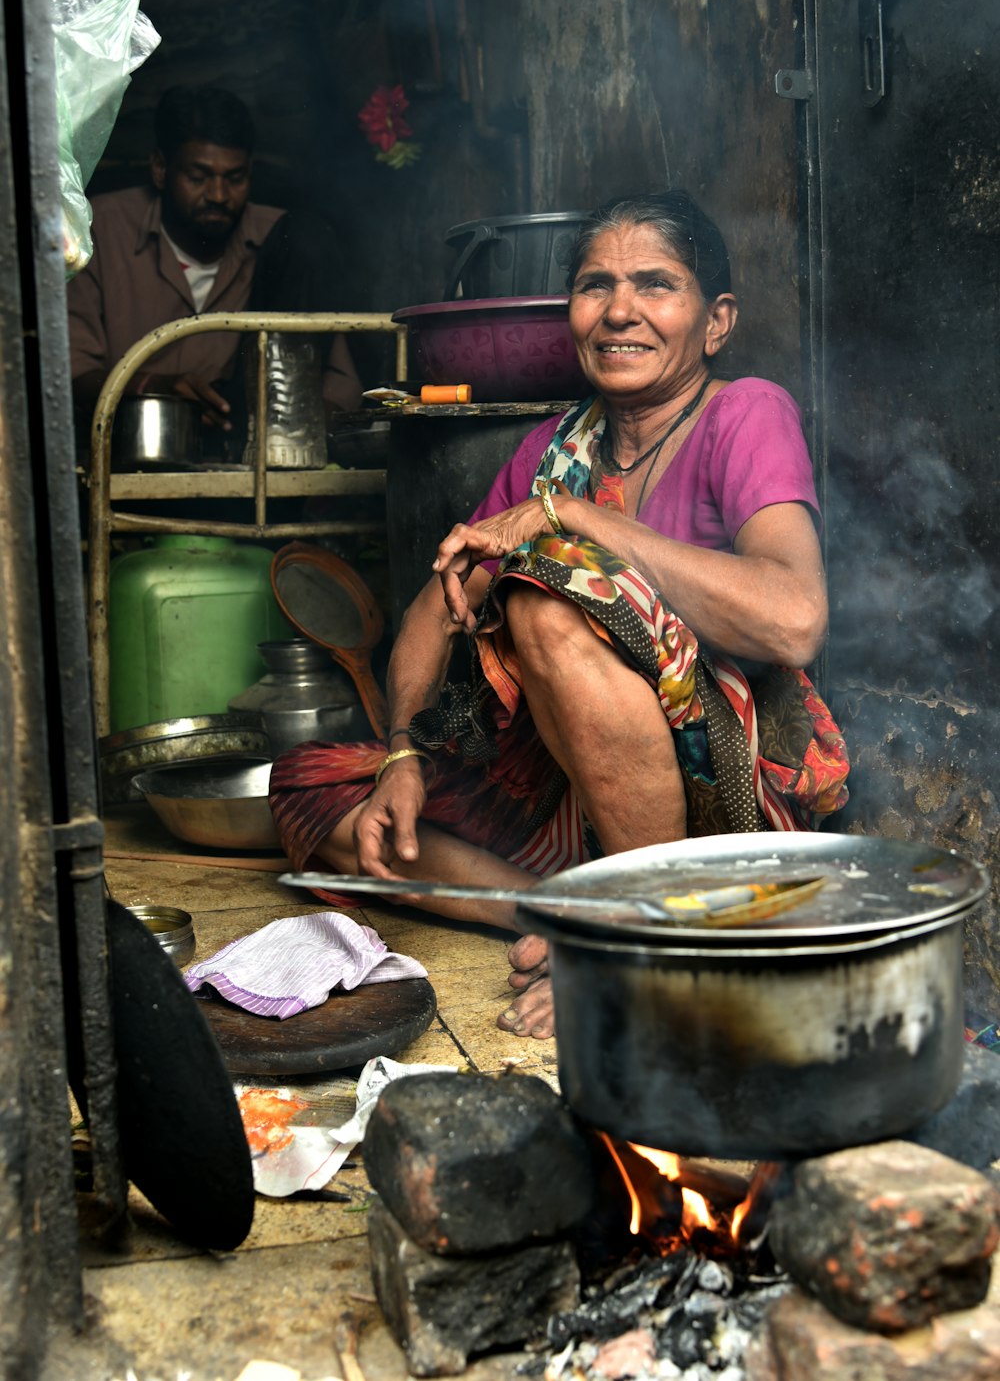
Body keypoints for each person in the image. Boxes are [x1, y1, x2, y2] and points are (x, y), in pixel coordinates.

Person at [269, 190, 850, 1039]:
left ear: (715, 321)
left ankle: (647, 939)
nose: (620, 311)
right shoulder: (553, 448)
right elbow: (439, 604)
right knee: (310, 785)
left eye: (656, 284)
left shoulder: (744, 413)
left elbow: (794, 619)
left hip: (715, 796)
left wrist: (577, 518)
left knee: (548, 596)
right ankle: (558, 911)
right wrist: (400, 751)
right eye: (595, 285)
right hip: (572, 788)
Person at [67, 83, 360, 454]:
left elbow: (340, 381)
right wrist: (154, 385)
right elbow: (72, 373)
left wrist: (297, 437)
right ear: (160, 169)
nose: (219, 195)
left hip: (249, 459)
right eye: (199, 176)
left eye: (234, 178)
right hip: (136, 453)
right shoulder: (101, 229)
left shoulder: (282, 240)